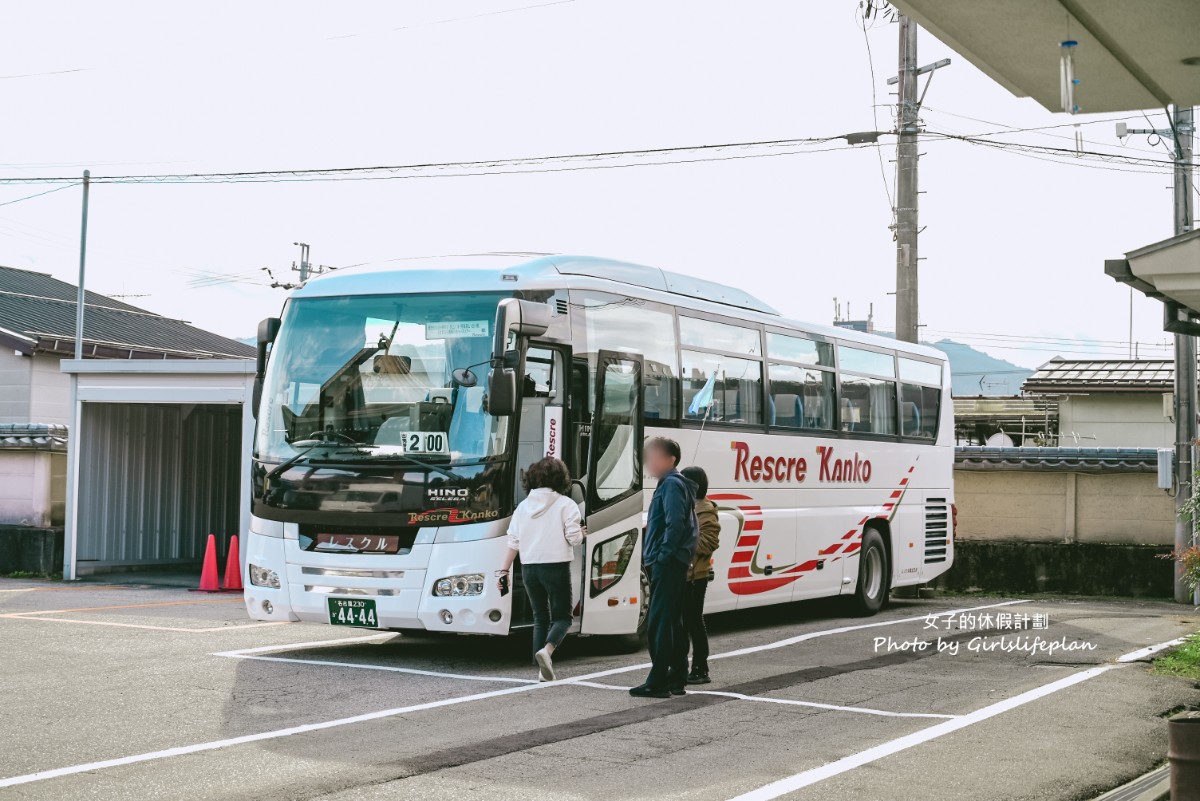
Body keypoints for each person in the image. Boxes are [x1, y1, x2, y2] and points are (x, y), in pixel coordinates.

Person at [497, 457, 584, 681]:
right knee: (563, 617)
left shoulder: (522, 507)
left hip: (529, 569)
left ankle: (540, 669)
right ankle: (547, 651)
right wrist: (583, 533)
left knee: (540, 616)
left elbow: (513, 542)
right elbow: (574, 538)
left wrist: (503, 571)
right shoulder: (566, 504)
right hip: (555, 567)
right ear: (561, 478)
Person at [630, 437, 698, 699]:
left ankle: (658, 680)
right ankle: (676, 677)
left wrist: (662, 556)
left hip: (667, 563)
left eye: (655, 457)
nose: (650, 462)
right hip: (673, 561)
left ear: (670, 460)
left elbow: (675, 523)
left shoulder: (671, 484)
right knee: (672, 621)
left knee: (658, 622)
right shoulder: (673, 484)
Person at [680, 465, 720, 685]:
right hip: (682, 575)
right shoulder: (687, 506)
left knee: (694, 621)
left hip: (696, 576)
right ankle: (681, 666)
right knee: (683, 623)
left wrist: (683, 538)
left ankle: (700, 668)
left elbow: (709, 542)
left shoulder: (706, 510)